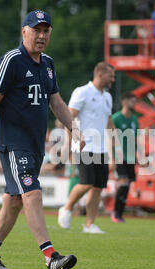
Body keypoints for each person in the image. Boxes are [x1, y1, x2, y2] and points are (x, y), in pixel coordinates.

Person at [0, 10, 84, 269]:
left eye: (46, 31)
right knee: (32, 193)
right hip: (13, 142)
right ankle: (51, 257)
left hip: (35, 144)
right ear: (24, 31)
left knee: (14, 201)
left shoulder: (48, 63)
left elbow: (56, 101)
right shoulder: (11, 60)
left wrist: (74, 128)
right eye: (36, 30)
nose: (42, 35)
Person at [58, 61, 116, 234]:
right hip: (83, 147)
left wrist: (113, 153)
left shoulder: (107, 97)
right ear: (100, 74)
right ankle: (67, 208)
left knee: (98, 187)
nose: (113, 79)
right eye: (110, 76)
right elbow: (68, 117)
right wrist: (69, 144)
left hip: (101, 149)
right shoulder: (82, 92)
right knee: (86, 183)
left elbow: (109, 124)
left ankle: (90, 225)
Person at [111, 92, 139, 223]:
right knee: (123, 182)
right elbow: (109, 136)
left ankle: (120, 214)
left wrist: (137, 155)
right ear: (124, 102)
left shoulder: (134, 120)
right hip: (119, 155)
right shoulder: (116, 118)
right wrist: (112, 157)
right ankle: (115, 213)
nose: (134, 104)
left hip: (131, 157)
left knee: (128, 185)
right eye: (132, 101)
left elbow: (135, 139)